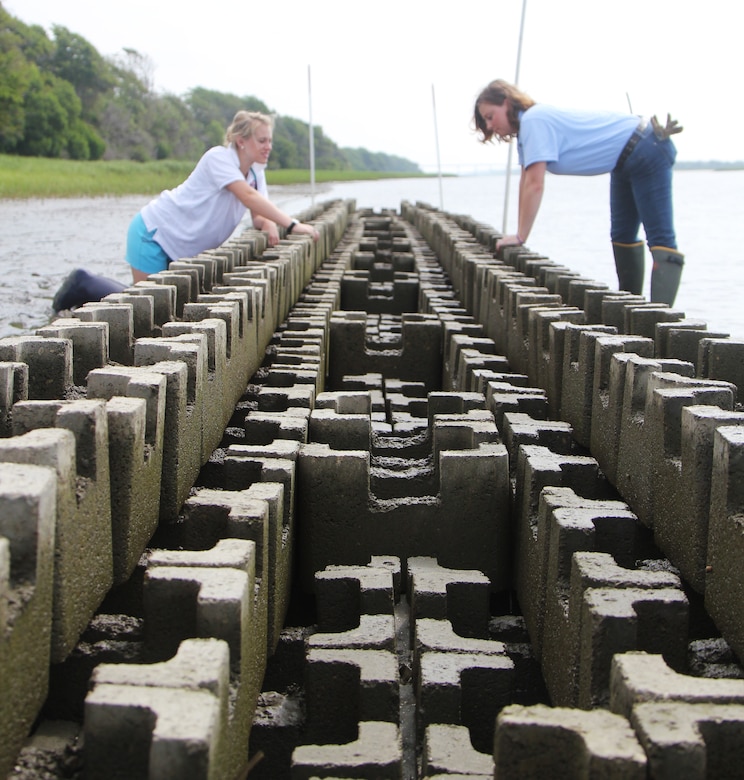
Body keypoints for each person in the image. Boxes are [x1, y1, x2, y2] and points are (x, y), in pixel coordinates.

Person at [52, 110, 318, 311]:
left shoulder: (257, 173)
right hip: (154, 234)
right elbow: (247, 197)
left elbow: (258, 210)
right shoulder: (219, 159)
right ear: (241, 141)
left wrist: (269, 223)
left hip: (182, 247)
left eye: (269, 140)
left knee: (162, 310)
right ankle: (83, 283)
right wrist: (293, 225)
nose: (268, 146)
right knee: (146, 308)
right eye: (262, 140)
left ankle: (85, 289)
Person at [473, 79, 684, 305]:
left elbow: (535, 184)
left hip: (646, 146)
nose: (489, 126)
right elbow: (526, 183)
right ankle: (632, 308)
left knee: (660, 238)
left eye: (490, 116)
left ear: (506, 103)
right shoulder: (527, 131)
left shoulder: (534, 120)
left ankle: (659, 317)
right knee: (622, 236)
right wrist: (517, 234)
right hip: (625, 159)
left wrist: (521, 236)